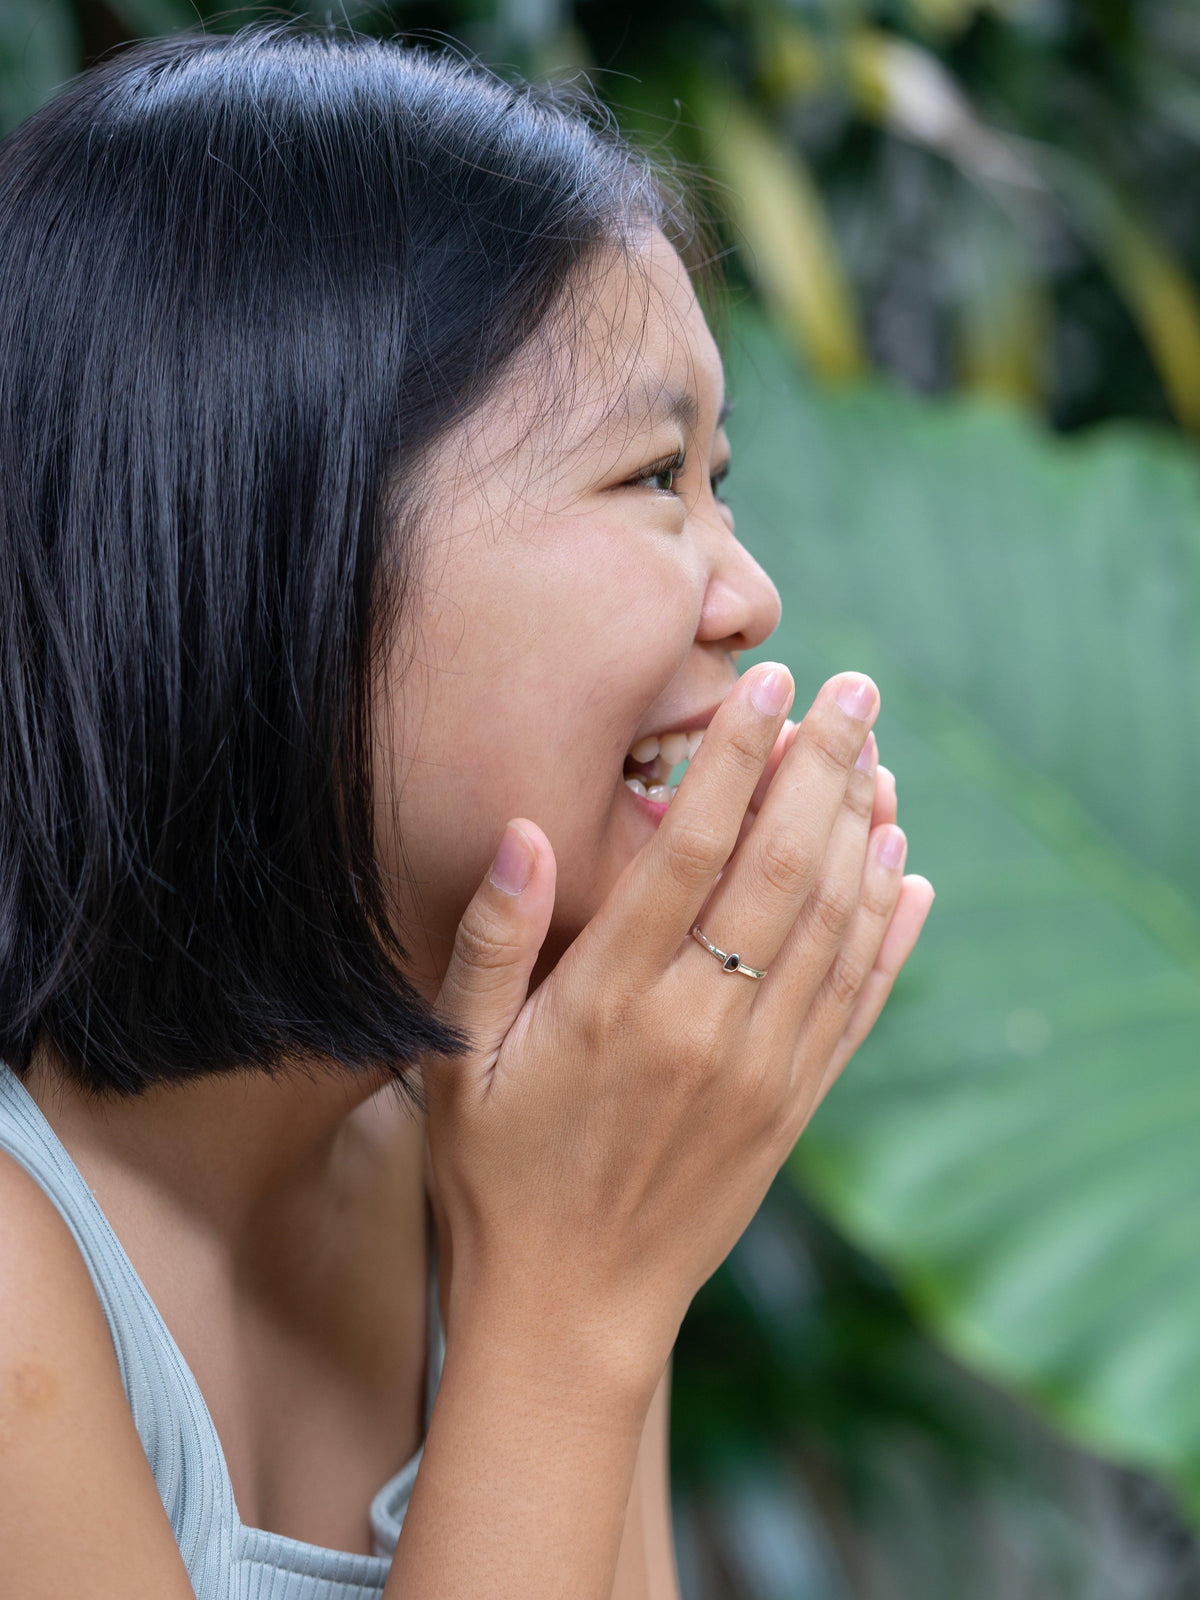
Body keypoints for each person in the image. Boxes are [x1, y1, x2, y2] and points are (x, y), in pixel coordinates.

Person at [0, 26, 934, 1599]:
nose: (751, 594)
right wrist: (569, 1306)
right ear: (287, 545)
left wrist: (591, 1261)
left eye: (723, 480)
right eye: (654, 478)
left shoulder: (491, 1131)